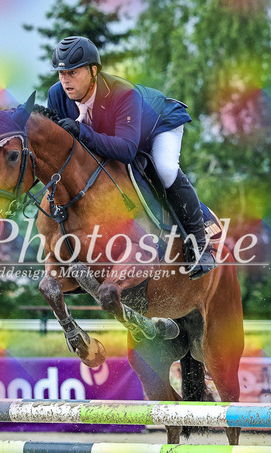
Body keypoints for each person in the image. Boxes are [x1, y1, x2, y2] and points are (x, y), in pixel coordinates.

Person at [47, 36, 216, 280]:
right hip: (123, 134)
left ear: (93, 71)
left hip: (159, 124)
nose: (65, 80)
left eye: (72, 72)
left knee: (165, 169)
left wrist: (82, 131)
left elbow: (127, 150)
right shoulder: (57, 95)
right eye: (61, 73)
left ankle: (200, 244)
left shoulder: (122, 93)